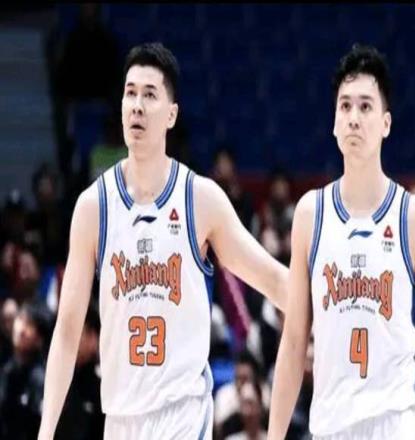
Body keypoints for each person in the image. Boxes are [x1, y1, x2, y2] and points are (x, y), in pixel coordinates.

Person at [38, 42, 288, 440]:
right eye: (130, 93)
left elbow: (273, 279)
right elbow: (68, 332)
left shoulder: (199, 199)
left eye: (149, 95)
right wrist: (45, 430)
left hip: (182, 416)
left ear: (171, 114)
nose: (137, 106)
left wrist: (335, 315)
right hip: (121, 419)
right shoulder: (93, 207)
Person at [268, 44, 415, 439]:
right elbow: (294, 341)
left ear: (385, 123)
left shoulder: (412, 217)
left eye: (365, 107)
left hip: (394, 424)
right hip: (330, 426)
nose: (353, 118)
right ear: (334, 123)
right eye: (345, 106)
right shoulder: (310, 215)